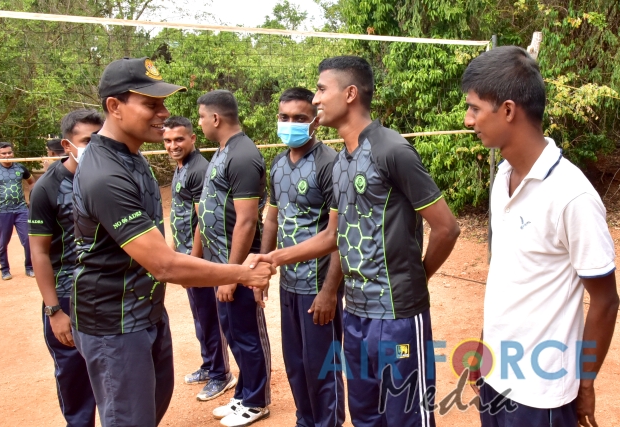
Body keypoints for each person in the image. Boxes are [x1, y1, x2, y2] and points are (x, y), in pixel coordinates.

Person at [254, 56, 461, 427]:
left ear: (350, 94)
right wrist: (274, 258)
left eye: (321, 89)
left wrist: (417, 280)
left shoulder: (391, 150)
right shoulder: (341, 163)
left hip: (397, 316)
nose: (316, 99)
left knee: (406, 416)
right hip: (355, 314)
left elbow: (446, 228)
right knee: (365, 414)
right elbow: (333, 235)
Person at [71, 57, 274, 427]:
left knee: (150, 410)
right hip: (114, 322)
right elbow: (163, 264)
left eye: (163, 103)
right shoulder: (106, 174)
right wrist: (241, 273)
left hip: (144, 311)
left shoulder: (132, 158)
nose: (163, 114)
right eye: (151, 104)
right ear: (114, 106)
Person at [462, 46, 619, 427]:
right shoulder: (503, 178)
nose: (468, 121)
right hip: (496, 376)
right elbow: (506, 276)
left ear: (508, 110)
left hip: (540, 395)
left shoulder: (572, 196)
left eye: (475, 109)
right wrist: (485, 346)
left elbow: (605, 300)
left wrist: (585, 382)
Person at [260, 87, 345, 427]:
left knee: (321, 364)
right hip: (289, 283)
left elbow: (339, 235)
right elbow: (272, 219)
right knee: (295, 363)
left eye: (299, 118)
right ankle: (305, 420)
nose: (290, 124)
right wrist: (263, 268)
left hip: (318, 284)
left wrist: (329, 292)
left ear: (315, 121)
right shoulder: (278, 164)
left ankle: (328, 423)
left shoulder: (330, 164)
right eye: (284, 117)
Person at [196, 89, 271, 427]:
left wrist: (233, 273)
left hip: (238, 266)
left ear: (215, 118)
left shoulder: (242, 154)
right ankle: (243, 393)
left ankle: (257, 401)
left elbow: (247, 220)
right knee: (233, 331)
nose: (200, 123)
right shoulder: (223, 151)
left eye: (201, 117)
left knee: (247, 333)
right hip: (221, 264)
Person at [28, 109, 104, 427]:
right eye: (87, 141)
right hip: (67, 296)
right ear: (67, 145)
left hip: (106, 292)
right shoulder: (47, 188)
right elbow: (39, 252)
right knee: (75, 378)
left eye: (99, 139)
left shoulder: (107, 179)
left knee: (113, 373)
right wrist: (54, 310)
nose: (94, 146)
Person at [163, 115, 236, 401]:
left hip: (200, 259)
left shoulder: (198, 170)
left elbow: (201, 219)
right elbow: (179, 214)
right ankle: (209, 364)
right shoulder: (181, 167)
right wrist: (174, 250)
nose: (173, 145)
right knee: (199, 317)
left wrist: (192, 261)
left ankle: (221, 374)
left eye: (179, 139)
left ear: (193, 138)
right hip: (185, 255)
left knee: (209, 317)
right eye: (168, 141)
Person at [0, 141, 37, 280]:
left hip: (21, 210)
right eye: (3, 154)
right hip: (3, 211)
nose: (7, 155)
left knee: (28, 240)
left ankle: (29, 267)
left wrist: (31, 200)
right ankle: (5, 269)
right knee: (3, 243)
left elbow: (32, 182)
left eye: (9, 152)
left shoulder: (20, 168)